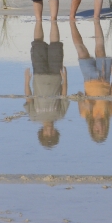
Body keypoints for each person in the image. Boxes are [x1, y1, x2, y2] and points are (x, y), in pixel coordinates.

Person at [70, 19, 112, 143]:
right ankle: (97, 21)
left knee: (81, 50)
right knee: (100, 49)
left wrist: (86, 103)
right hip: (104, 78)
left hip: (89, 78)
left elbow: (79, 94)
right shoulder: (110, 112)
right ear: (106, 128)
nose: (99, 128)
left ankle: (72, 22)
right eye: (102, 130)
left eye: (97, 131)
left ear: (92, 128)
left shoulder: (85, 114)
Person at [24, 21, 69, 149]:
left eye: (46, 134)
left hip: (38, 74)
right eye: (51, 134)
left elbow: (28, 97)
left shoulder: (34, 116)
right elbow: (64, 96)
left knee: (37, 44)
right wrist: (65, 79)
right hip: (56, 74)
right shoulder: (60, 115)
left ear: (42, 132)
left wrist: (26, 81)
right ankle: (53, 20)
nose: (49, 131)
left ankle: (38, 19)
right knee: (55, 45)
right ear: (55, 132)